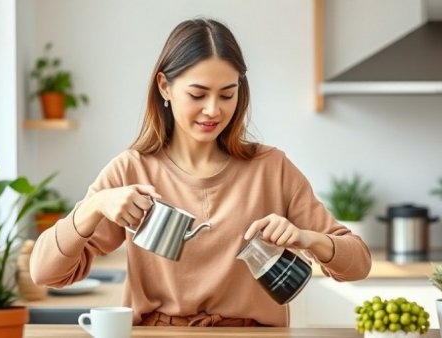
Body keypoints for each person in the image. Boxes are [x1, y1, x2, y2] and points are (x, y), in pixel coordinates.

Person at [30, 17, 371, 327]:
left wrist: (307, 238)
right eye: (198, 94)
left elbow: (358, 264)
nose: (213, 110)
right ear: (164, 87)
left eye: (227, 94)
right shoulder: (132, 169)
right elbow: (45, 273)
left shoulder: (271, 167)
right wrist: (94, 206)